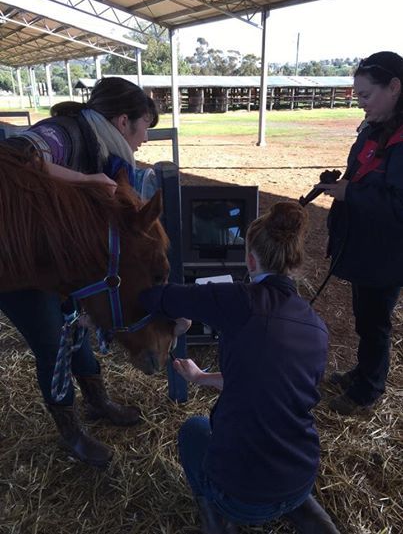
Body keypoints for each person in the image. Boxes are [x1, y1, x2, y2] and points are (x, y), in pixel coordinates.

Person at [139, 202, 339, 534]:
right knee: (282, 465)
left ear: (249, 260)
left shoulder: (237, 300)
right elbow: (267, 383)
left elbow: (158, 297)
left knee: (193, 430)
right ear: (294, 261)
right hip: (302, 476)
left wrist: (178, 317)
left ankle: (216, 519)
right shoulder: (317, 326)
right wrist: (200, 378)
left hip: (240, 496)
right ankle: (304, 512)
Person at [0, 77, 159, 467]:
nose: (144, 140)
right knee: (52, 342)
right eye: (144, 129)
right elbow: (16, 155)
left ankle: (96, 400)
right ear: (124, 122)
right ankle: (70, 431)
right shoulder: (64, 133)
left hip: (56, 257)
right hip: (19, 259)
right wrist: (86, 179)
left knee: (75, 329)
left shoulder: (104, 147)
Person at [315, 51, 403, 416]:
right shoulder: (374, 128)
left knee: (375, 321)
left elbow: (398, 205)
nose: (361, 103)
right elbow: (360, 171)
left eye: (367, 95)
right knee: (365, 317)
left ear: (395, 87)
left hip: (388, 253)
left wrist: (351, 193)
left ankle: (367, 389)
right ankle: (363, 371)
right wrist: (341, 183)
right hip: (366, 246)